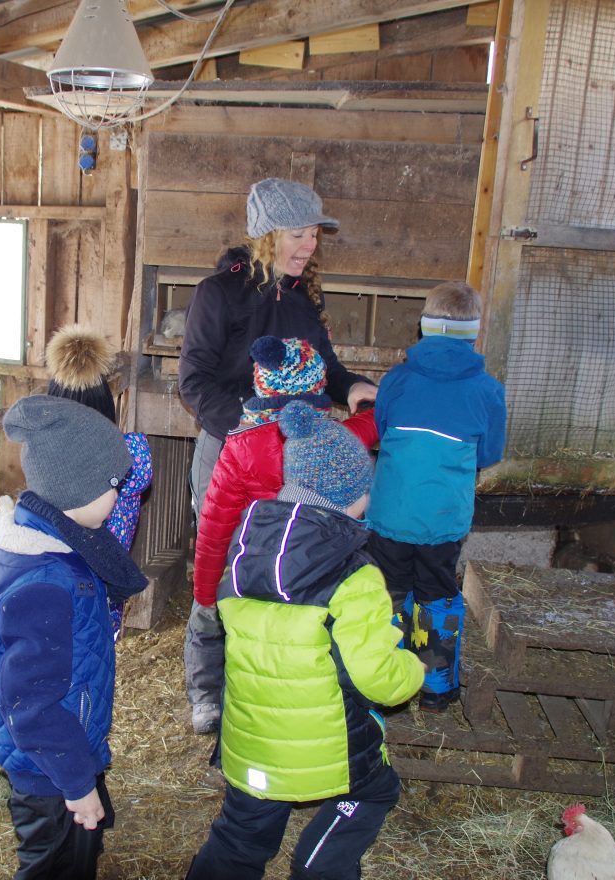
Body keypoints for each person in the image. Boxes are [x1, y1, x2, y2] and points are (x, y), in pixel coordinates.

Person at [185, 401, 424, 880]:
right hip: (324, 750)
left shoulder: (246, 551)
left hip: (249, 744)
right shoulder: (355, 576)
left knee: (240, 836)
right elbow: (378, 679)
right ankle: (317, 869)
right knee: (376, 792)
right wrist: (413, 668)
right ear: (352, 497)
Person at [179, 177, 378, 733]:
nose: (309, 244)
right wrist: (249, 427)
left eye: (314, 233)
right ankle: (207, 688)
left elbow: (327, 369)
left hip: (299, 453)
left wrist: (353, 387)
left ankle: (264, 681)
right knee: (221, 560)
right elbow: (194, 383)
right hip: (231, 447)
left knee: (283, 561)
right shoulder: (219, 293)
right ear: (266, 236)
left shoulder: (304, 297)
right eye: (298, 233)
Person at [0, 395, 149, 880]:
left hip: (61, 751)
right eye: (114, 486)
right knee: (56, 863)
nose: (120, 497)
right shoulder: (47, 584)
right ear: (75, 489)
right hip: (48, 769)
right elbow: (31, 704)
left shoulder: (58, 544)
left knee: (77, 853)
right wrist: (76, 783)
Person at [186, 335, 378, 734]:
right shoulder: (334, 441)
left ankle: (207, 700)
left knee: (209, 622)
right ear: (318, 389)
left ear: (262, 387)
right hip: (310, 567)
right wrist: (377, 404)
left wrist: (205, 591)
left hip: (251, 564)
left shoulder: (240, 446)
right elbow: (369, 426)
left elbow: (216, 524)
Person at [364, 281, 506, 713]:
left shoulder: (397, 380)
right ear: (474, 331)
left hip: (390, 515)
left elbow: (381, 431)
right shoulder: (487, 390)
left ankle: (387, 689)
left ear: (425, 325)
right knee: (436, 595)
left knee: (388, 594)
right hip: (443, 521)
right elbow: (490, 454)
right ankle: (436, 688)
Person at [45, 324, 154, 638]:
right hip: (103, 605)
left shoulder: (46, 460)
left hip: (53, 599)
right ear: (105, 403)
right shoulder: (132, 453)